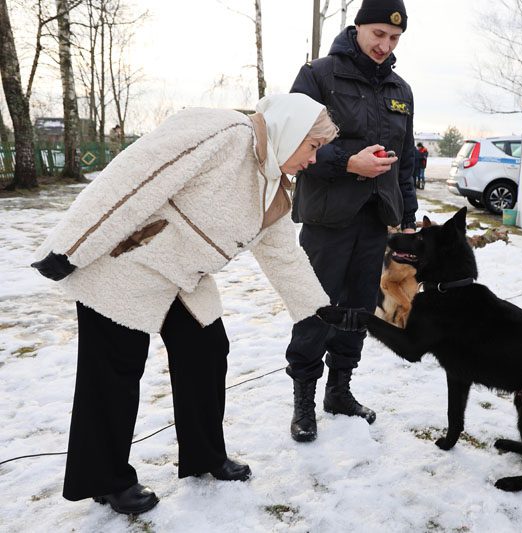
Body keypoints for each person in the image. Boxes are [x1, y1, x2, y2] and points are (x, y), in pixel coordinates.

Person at [31, 94, 337, 515]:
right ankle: (104, 479)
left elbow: (284, 255)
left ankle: (205, 455)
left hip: (182, 276)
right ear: (292, 131)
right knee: (114, 371)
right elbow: (133, 179)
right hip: (126, 261)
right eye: (314, 146)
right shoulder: (222, 132)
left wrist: (317, 311)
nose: (314, 159)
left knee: (207, 352)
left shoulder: (274, 186)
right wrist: (71, 247)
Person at [285, 0, 418, 442]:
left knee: (360, 307)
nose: (385, 44)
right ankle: (304, 400)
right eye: (378, 34)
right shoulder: (319, 75)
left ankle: (339, 391)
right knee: (316, 306)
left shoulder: (400, 89)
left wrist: (408, 217)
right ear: (358, 27)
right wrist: (348, 163)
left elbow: (406, 162)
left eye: (394, 38)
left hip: (375, 217)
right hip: (327, 217)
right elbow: (292, 143)